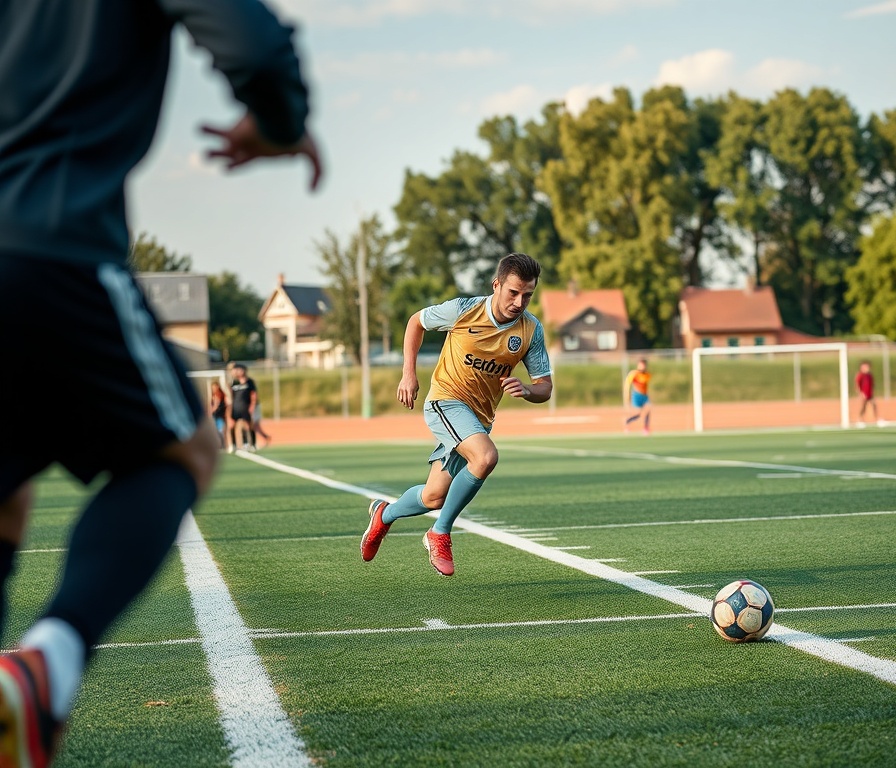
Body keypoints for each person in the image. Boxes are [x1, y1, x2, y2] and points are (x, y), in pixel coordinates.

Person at [0, 2, 321, 765]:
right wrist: (280, 120)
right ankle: (52, 660)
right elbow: (253, 44)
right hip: (52, 240)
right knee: (182, 451)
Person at [361, 253, 553, 576]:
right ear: (497, 285)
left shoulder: (531, 331)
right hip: (445, 401)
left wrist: (527, 390)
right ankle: (439, 532)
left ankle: (385, 514)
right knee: (486, 457)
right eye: (513, 292)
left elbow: (544, 387)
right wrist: (409, 373)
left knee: (434, 495)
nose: (520, 302)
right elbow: (415, 322)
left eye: (528, 295)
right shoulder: (465, 311)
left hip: (478, 420)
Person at [228, 363, 260, 453]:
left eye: (239, 369)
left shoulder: (249, 382)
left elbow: (253, 394)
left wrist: (252, 406)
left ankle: (252, 444)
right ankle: (233, 445)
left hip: (245, 407)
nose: (237, 371)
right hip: (235, 407)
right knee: (232, 425)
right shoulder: (234, 382)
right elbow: (230, 395)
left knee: (248, 425)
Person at [623, 358, 653, 435]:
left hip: (645, 396)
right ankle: (627, 421)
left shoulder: (647, 375)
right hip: (637, 395)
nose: (642, 367)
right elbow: (627, 385)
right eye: (641, 365)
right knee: (638, 414)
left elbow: (645, 385)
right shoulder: (634, 374)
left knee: (648, 410)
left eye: (644, 365)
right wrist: (627, 396)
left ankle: (646, 428)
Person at [854, 360, 883, 427]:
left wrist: (872, 392)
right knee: (863, 407)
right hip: (863, 394)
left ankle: (878, 419)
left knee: (874, 405)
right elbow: (857, 385)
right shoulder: (860, 375)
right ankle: (860, 420)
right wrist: (860, 393)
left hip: (870, 394)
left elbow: (872, 384)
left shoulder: (869, 375)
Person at [210, 380, 228, 449]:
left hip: (219, 415)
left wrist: (210, 411)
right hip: (217, 415)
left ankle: (222, 445)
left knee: (220, 431)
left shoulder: (219, 394)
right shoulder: (214, 395)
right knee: (217, 431)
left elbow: (216, 405)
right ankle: (220, 445)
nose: (214, 389)